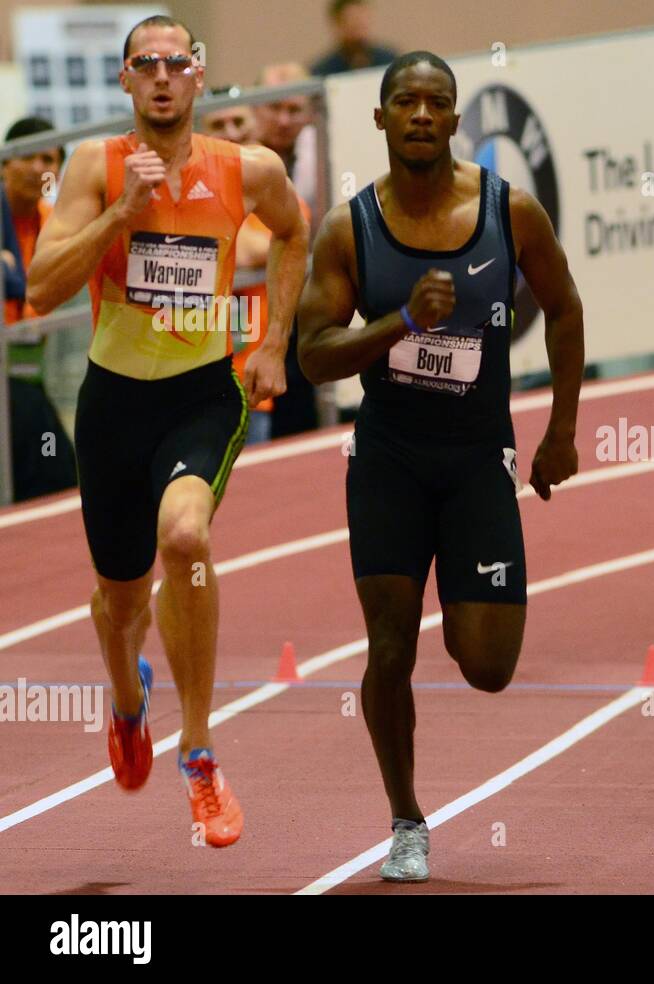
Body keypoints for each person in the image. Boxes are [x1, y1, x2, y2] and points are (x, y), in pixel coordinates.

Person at [296, 51, 584, 881]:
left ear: (456, 122)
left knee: (489, 665)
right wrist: (397, 324)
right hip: (387, 460)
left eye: (437, 103)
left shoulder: (509, 211)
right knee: (390, 647)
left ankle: (465, 628)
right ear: (381, 121)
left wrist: (561, 429)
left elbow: (564, 310)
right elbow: (313, 358)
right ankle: (406, 819)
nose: (421, 114)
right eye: (405, 102)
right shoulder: (347, 228)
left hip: (474, 462)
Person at [26, 15, 309, 844]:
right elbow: (41, 290)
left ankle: (199, 751)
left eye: (175, 63)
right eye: (144, 64)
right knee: (118, 602)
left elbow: (294, 233)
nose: (160, 77)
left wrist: (274, 345)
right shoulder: (93, 165)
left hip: (200, 394)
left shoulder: (248, 169)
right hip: (113, 402)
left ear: (199, 74)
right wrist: (123, 214)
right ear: (124, 81)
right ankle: (125, 700)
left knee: (184, 538)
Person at [203, 87, 312, 444]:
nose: (231, 132)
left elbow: (260, 250)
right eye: (219, 123)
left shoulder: (276, 186)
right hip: (191, 377)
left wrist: (211, 244)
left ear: (255, 127)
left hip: (250, 378)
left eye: (239, 122)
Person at [4, 117, 79, 500]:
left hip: (30, 377)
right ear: (4, 165)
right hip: (13, 384)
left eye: (48, 158)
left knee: (59, 472)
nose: (38, 168)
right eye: (27, 156)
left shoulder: (55, 223)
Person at [253, 62, 321, 437]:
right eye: (273, 108)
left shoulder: (324, 155)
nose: (283, 119)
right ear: (255, 109)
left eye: (293, 110)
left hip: (305, 312)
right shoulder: (241, 156)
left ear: (310, 114)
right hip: (248, 313)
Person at [310, 0, 398, 77]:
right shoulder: (323, 71)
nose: (359, 27)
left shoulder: (389, 61)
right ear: (338, 24)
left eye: (362, 22)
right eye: (353, 23)